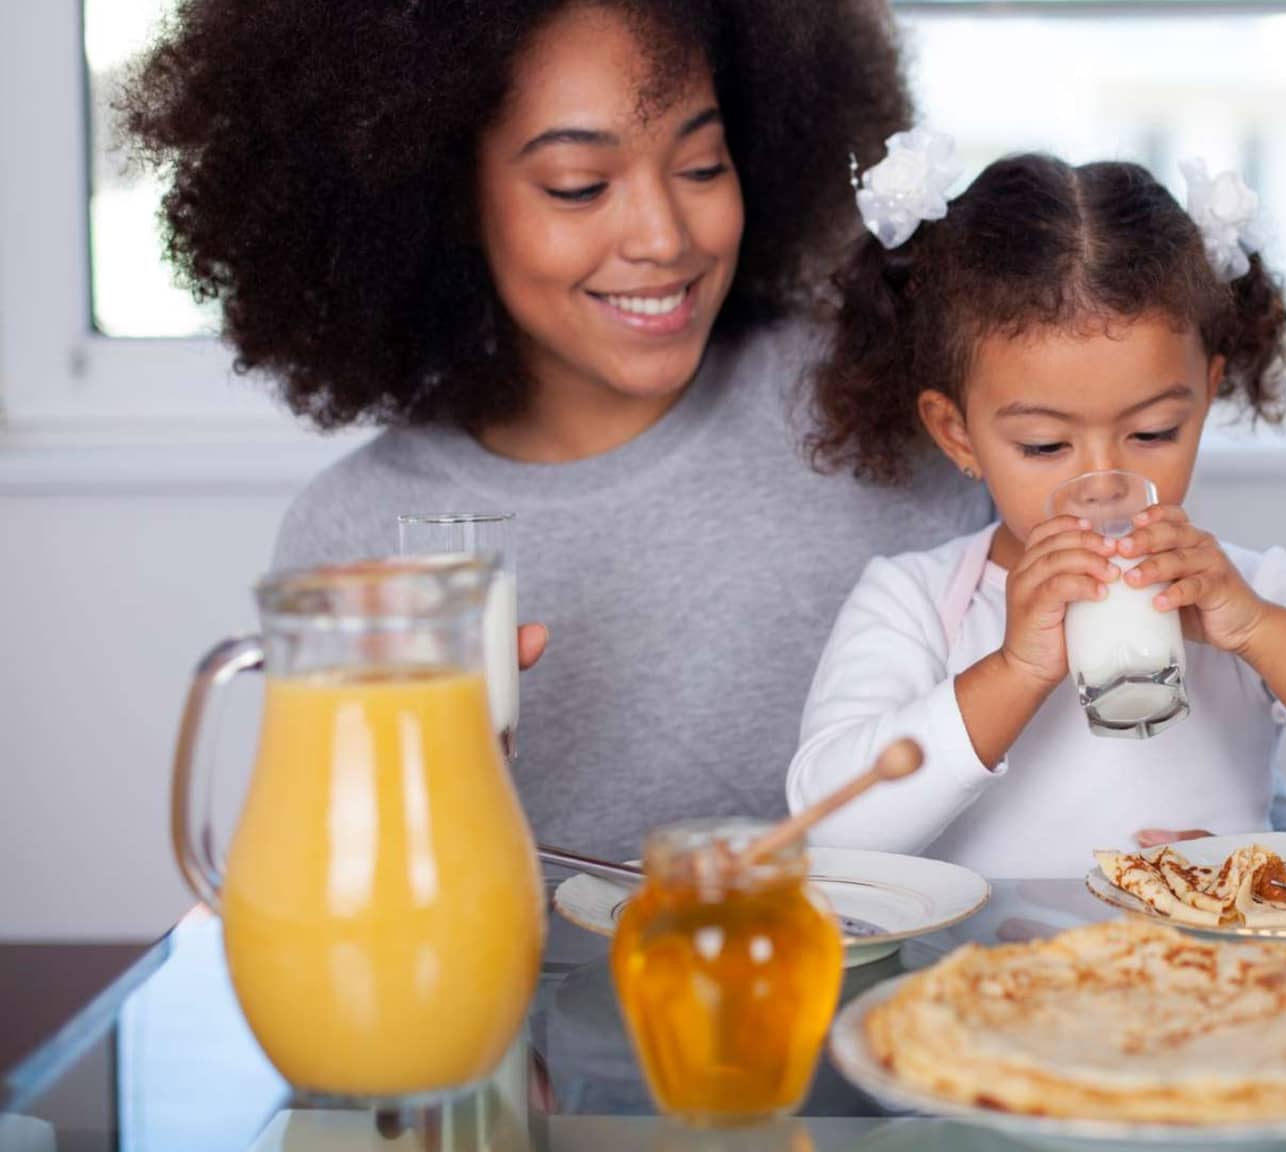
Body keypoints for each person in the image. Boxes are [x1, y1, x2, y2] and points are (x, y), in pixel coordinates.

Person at [123, 0, 987, 857]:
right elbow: (334, 877)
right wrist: (418, 773)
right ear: (450, 201)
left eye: (700, 166)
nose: (662, 237)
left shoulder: (887, 401)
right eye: (580, 186)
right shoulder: (360, 534)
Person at [788, 145, 1286, 878]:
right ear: (958, 434)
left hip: (1199, 953)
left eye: (1153, 433)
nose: (1102, 483)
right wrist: (1016, 670)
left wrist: (1257, 630)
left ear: (1204, 398)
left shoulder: (1250, 593)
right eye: (1045, 444)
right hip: (993, 957)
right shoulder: (915, 602)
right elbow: (830, 836)